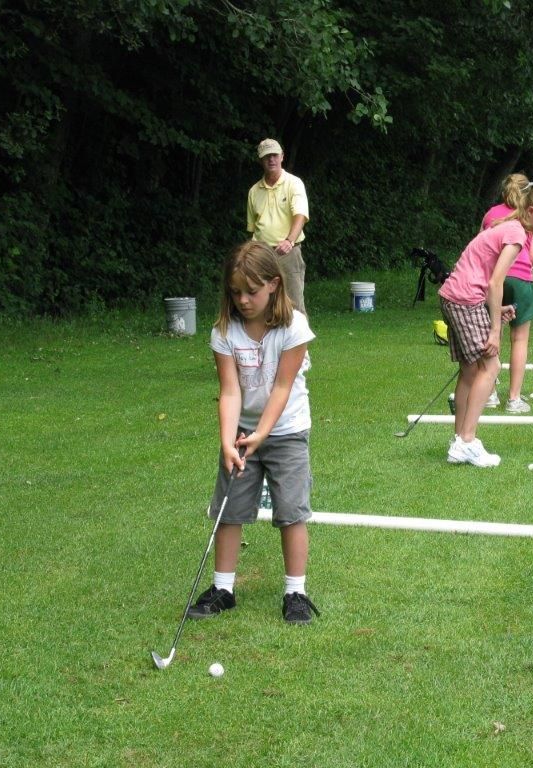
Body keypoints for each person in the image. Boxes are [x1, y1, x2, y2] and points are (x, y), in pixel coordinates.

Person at [187, 241, 319, 625]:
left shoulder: (294, 327)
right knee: (229, 511)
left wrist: (262, 433)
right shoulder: (225, 331)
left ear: (275, 285)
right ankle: (223, 589)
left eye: (252, 291)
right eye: (235, 292)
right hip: (242, 432)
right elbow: (230, 391)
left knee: (291, 511)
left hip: (287, 431)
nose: (243, 300)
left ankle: (295, 593)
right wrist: (228, 441)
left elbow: (282, 386)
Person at [439, 185, 533, 467]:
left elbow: (480, 273)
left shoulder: (509, 225)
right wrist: (495, 329)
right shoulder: (517, 233)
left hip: (454, 296)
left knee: (470, 370)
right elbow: (496, 282)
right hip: (465, 299)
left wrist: (496, 308)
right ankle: (467, 441)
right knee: (491, 367)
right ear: (531, 211)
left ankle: (460, 440)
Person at [481, 174, 533, 414]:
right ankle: (513, 398)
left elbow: (481, 246)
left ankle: (489, 392)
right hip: (521, 278)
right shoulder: (529, 218)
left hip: (495, 278)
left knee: (493, 331)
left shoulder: (491, 213)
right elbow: (532, 257)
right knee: (519, 339)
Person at [247, 138, 310, 313]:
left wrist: (289, 241)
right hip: (262, 255)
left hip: (288, 252)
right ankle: (266, 341)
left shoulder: (294, 183)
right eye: (266, 156)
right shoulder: (254, 191)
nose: (271, 159)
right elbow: (253, 229)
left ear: (282, 156)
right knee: (263, 306)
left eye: (274, 155)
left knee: (294, 306)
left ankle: (299, 341)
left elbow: (300, 215)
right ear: (261, 160)